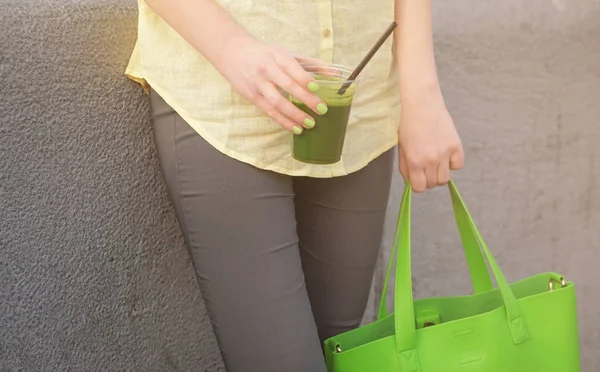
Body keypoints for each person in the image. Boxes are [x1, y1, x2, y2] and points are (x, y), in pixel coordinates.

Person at [125, 0, 464, 370]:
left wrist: (422, 94)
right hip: (221, 93)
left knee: (340, 353)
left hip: (359, 101)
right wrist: (231, 49)